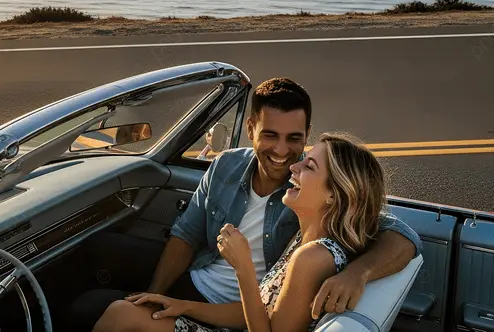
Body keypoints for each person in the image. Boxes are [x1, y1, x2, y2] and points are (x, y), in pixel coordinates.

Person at [74, 77, 421, 331]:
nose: (286, 156)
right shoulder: (228, 167)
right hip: (205, 284)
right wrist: (160, 296)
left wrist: (359, 274)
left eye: (296, 141)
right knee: (95, 253)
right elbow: (186, 233)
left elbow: (403, 234)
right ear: (252, 128)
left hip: (241, 311)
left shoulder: (310, 217)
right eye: (270, 135)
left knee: (98, 309)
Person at [98, 132, 389, 332]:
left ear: (333, 196)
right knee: (124, 311)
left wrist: (244, 268)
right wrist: (181, 305)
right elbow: (262, 313)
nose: (294, 166)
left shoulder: (311, 258)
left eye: (309, 166)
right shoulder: (307, 240)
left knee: (120, 314)